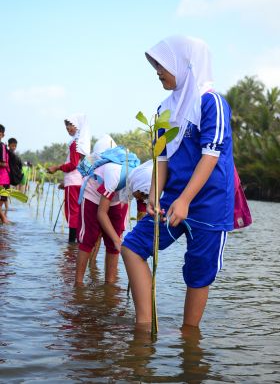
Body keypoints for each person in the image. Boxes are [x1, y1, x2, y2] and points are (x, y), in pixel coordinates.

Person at [121, 35, 234, 328]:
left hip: (209, 202)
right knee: (132, 247)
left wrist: (185, 200)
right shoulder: (163, 110)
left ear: (186, 64)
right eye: (155, 65)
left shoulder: (212, 103)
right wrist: (155, 197)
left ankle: (188, 336)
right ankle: (145, 328)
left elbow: (210, 155)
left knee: (199, 272)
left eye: (162, 64)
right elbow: (161, 159)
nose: (157, 71)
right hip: (171, 200)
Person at [75, 134, 139, 285]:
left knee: (113, 241)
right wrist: (118, 241)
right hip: (94, 196)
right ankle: (78, 284)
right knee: (88, 239)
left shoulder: (144, 182)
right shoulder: (115, 173)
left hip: (116, 199)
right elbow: (101, 213)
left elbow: (143, 213)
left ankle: (110, 285)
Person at [48, 114, 91, 243]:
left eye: (71, 125)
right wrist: (64, 182)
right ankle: (78, 243)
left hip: (73, 183)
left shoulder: (75, 144)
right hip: (80, 182)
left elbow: (72, 165)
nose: (68, 128)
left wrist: (56, 167)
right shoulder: (82, 144)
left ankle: (72, 244)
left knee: (72, 213)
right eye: (66, 126)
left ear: (77, 126)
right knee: (79, 212)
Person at [0, 124, 10, 223]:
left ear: (2, 135)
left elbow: (3, 163)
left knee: (3, 198)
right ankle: (4, 220)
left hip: (3, 179)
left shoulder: (2, 146)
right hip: (3, 179)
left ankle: (4, 219)